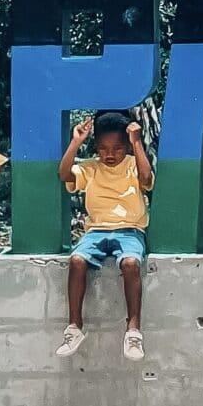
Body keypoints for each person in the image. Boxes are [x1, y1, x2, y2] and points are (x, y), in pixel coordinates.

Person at [57, 108, 153, 361]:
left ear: (127, 147)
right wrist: (76, 142)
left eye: (118, 148)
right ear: (96, 147)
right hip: (96, 231)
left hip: (129, 230)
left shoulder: (133, 164)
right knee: (77, 261)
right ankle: (75, 327)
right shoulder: (90, 168)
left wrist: (137, 143)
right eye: (103, 148)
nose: (110, 154)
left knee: (131, 263)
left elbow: (147, 178)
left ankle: (133, 331)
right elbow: (64, 174)